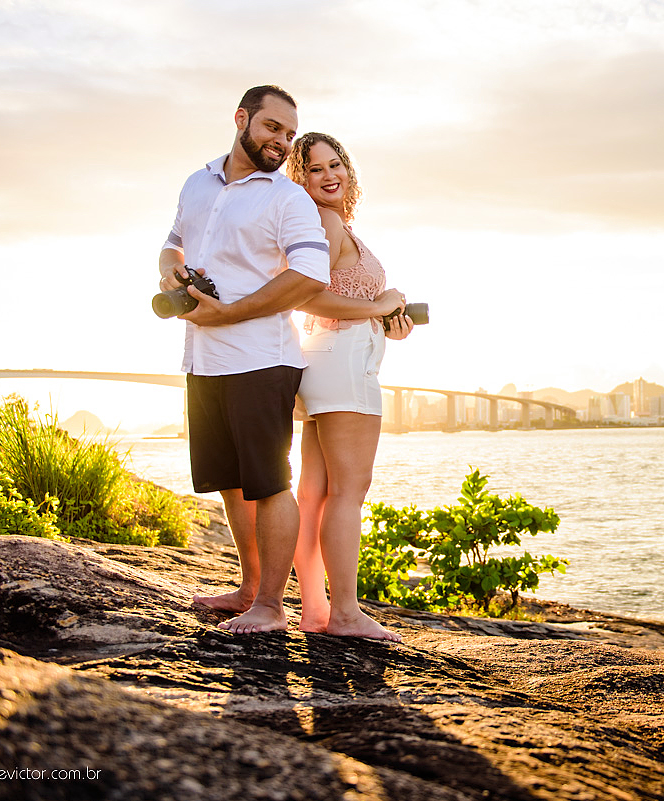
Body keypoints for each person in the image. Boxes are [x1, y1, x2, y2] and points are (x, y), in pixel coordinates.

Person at [159, 86, 330, 634]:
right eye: (271, 128)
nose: (281, 142)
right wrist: (171, 268)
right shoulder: (196, 182)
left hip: (262, 360)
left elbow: (308, 276)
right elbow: (172, 241)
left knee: (268, 482)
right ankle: (250, 588)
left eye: (288, 133)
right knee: (232, 483)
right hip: (203, 358)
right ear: (242, 120)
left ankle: (272, 608)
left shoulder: (288, 199)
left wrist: (228, 313)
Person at [283, 132, 413, 641]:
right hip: (343, 369)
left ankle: (315, 610)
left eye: (335, 164)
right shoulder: (326, 222)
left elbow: (339, 299)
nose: (328, 175)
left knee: (314, 494)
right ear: (301, 179)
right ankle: (344, 615)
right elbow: (310, 297)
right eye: (314, 169)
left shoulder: (329, 224)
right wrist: (378, 307)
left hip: (326, 361)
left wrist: (386, 320)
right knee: (348, 493)